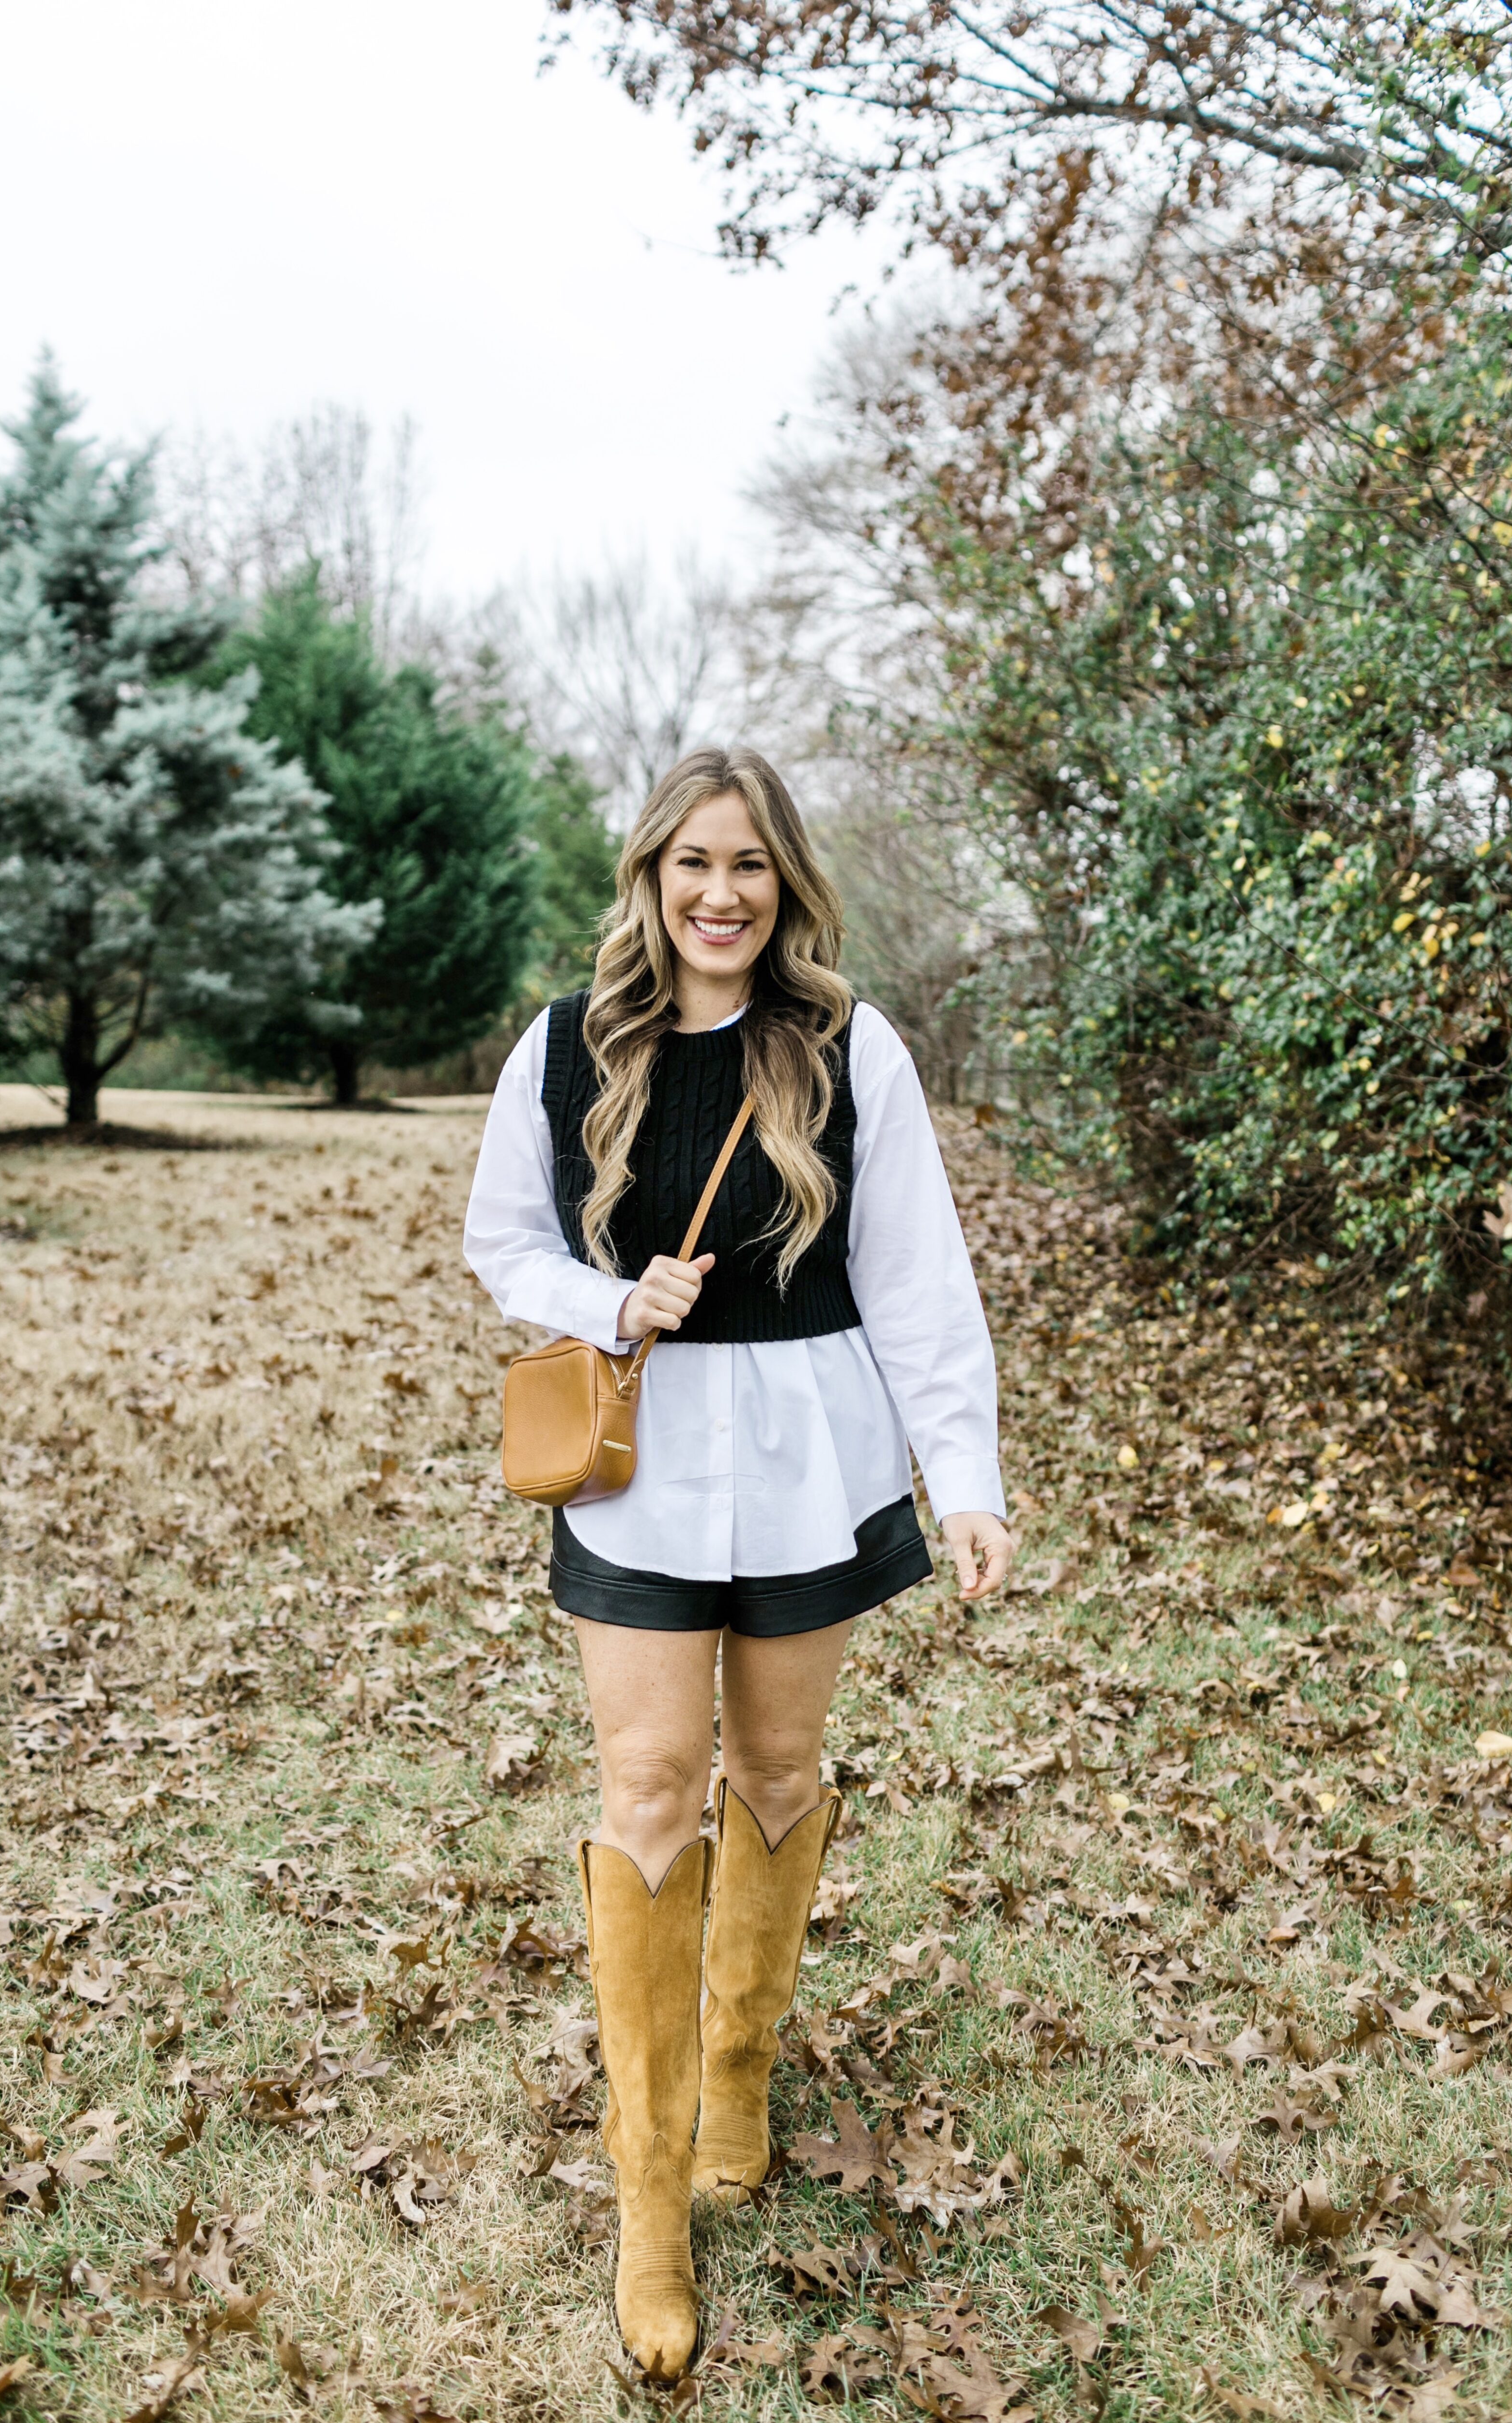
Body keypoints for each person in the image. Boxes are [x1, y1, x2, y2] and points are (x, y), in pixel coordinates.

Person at [464, 746, 1012, 2379]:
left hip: (811, 1460)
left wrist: (962, 1478)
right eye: (694, 862)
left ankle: (742, 2070)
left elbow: (918, 1278)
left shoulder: (855, 1049)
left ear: (786, 888)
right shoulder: (565, 1046)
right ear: (652, 874)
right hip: (633, 1468)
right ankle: (650, 2198)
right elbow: (503, 1240)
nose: (721, 894)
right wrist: (602, 1302)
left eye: (752, 867)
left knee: (778, 1766)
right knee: (649, 1786)